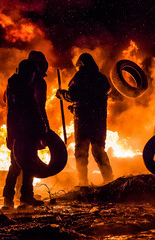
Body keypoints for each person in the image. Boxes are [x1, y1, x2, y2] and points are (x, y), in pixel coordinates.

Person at [56, 53, 113, 186]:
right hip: (99, 119)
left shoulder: (80, 77)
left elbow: (73, 95)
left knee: (81, 150)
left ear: (80, 65)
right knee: (99, 149)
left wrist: (61, 94)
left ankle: (82, 182)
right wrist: (75, 107)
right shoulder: (102, 78)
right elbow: (94, 98)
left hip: (83, 119)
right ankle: (109, 179)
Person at [3, 52, 49, 207]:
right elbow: (34, 109)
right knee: (29, 164)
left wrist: (10, 136)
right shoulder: (25, 89)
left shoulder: (13, 85)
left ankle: (8, 196)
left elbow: (10, 111)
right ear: (29, 73)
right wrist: (43, 127)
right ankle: (26, 196)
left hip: (16, 131)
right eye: (33, 74)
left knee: (15, 164)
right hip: (27, 131)